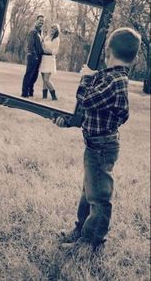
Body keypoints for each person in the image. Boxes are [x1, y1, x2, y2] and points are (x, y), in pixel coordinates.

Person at [54, 27, 141, 252]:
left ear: (108, 51)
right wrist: (71, 121)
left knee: (99, 197)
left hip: (101, 147)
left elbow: (87, 100)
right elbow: (101, 112)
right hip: (96, 145)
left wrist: (85, 78)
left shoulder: (115, 81)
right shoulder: (111, 77)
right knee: (89, 191)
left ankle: (91, 242)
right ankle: (81, 229)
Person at [21, 15, 44, 97]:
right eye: (40, 20)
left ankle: (30, 92)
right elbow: (30, 45)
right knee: (29, 74)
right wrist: (34, 56)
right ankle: (24, 93)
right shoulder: (33, 32)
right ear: (36, 21)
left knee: (34, 75)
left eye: (42, 21)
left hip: (39, 58)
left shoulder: (40, 33)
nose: (41, 22)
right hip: (33, 57)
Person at [40, 23, 60, 100]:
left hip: (50, 60)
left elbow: (54, 52)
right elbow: (43, 47)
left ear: (57, 31)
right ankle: (44, 97)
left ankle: (54, 97)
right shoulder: (47, 37)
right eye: (52, 28)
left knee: (46, 79)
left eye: (55, 29)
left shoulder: (56, 39)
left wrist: (46, 50)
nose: (52, 30)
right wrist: (44, 49)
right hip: (43, 58)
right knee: (43, 80)